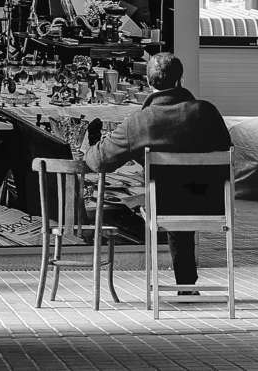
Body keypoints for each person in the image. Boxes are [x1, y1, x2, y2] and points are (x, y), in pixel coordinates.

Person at [81, 52, 232, 293]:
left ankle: (182, 285)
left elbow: (99, 162)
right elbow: (227, 151)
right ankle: (186, 284)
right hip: (214, 204)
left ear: (150, 83)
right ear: (180, 80)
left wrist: (93, 142)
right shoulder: (207, 112)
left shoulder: (139, 122)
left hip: (166, 206)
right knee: (179, 192)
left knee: (163, 196)